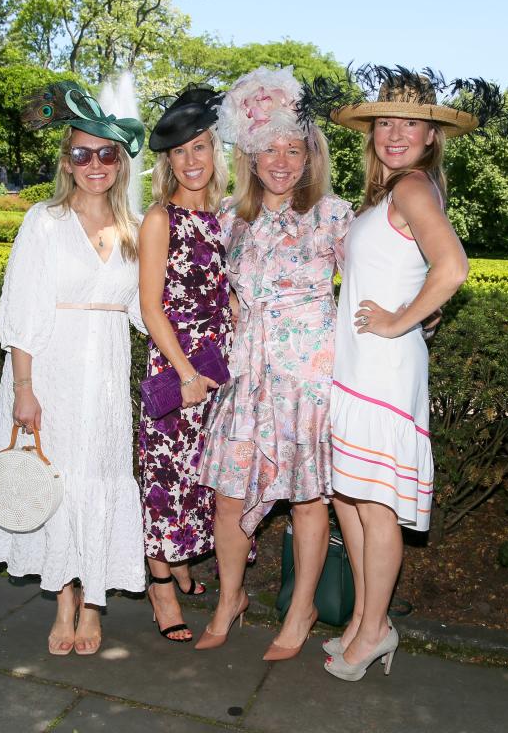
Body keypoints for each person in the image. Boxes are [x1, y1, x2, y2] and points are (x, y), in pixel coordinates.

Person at [319, 64, 508, 680]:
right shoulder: (391, 190)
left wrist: (402, 321)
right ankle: (360, 622)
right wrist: (407, 312)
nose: (395, 132)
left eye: (412, 123)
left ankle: (374, 630)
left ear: (433, 136)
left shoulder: (412, 187)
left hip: (381, 371)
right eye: (386, 122)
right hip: (355, 367)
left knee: (374, 509)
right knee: (348, 498)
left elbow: (452, 267)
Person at [0, 82, 147, 657]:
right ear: (66, 163)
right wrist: (24, 388)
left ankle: (95, 603)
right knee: (57, 482)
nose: (94, 165)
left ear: (120, 162)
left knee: (98, 478)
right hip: (51, 372)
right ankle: (66, 598)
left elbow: (151, 311)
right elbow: (21, 308)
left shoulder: (137, 228)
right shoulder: (43, 221)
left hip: (106, 379)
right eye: (81, 154)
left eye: (106, 154)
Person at [195, 67, 354, 659]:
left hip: (309, 381)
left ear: (311, 155)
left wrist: (414, 318)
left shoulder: (335, 216)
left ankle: (301, 610)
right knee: (229, 497)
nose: (282, 161)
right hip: (248, 376)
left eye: (294, 148)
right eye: (269, 149)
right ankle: (228, 598)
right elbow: (222, 298)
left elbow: (374, 286)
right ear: (250, 154)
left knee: (309, 499)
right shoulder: (231, 219)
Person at [137, 84, 232, 642]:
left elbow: (228, 290)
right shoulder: (159, 218)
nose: (191, 161)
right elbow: (151, 306)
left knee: (202, 477)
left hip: (217, 368)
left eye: (200, 147)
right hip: (176, 369)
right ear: (168, 162)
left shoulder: (225, 218)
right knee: (165, 477)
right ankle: (161, 585)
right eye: (180, 152)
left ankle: (183, 560)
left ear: (215, 151)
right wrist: (186, 373)